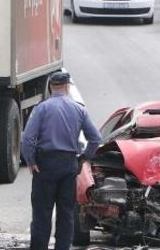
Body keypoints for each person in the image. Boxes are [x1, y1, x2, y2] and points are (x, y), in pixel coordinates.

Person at [22, 72, 102, 250]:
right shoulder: (79, 109)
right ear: (67, 87)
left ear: (51, 87)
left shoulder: (41, 108)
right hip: (68, 165)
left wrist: (30, 161)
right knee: (65, 213)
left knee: (42, 213)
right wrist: (84, 158)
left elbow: (27, 138)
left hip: (45, 165)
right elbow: (96, 138)